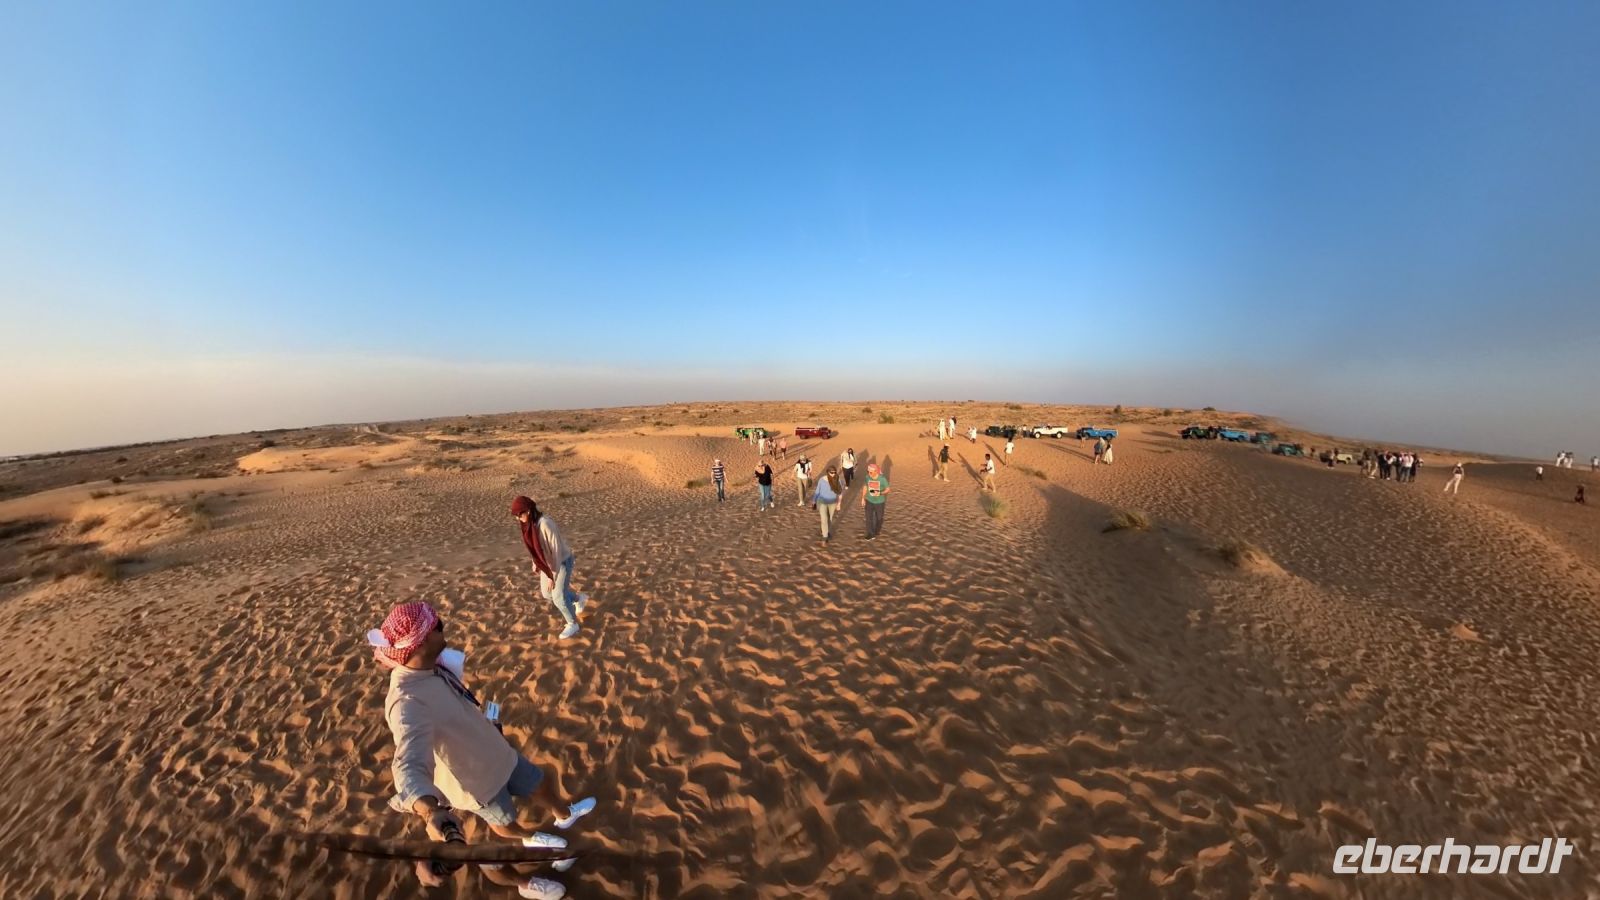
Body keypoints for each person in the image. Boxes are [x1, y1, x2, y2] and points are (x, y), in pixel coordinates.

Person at [369, 602, 596, 899]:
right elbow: (408, 763)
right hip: (479, 783)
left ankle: (563, 815)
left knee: (539, 783)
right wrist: (430, 811)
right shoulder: (407, 701)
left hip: (500, 752)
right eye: (437, 625)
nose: (443, 626)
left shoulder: (432, 667)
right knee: (503, 829)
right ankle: (530, 867)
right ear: (421, 640)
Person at [511, 497, 587, 641]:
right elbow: (535, 548)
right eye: (516, 515)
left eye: (519, 514)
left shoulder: (545, 524)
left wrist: (553, 575)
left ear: (528, 511)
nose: (518, 518)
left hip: (562, 562)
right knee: (547, 594)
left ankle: (573, 624)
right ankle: (578, 599)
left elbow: (556, 551)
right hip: (547, 563)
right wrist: (536, 563)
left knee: (558, 597)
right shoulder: (531, 525)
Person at [812, 465, 843, 542]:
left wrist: (839, 504)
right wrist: (814, 500)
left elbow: (840, 493)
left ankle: (825, 531)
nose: (833, 474)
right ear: (827, 472)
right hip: (822, 502)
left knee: (830, 519)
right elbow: (817, 491)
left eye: (834, 472)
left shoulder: (838, 480)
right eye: (831, 473)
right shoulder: (821, 480)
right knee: (824, 519)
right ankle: (825, 537)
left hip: (832, 502)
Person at [861, 461, 890, 538]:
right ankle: (870, 533)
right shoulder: (867, 477)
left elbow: (888, 489)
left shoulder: (882, 479)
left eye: (871, 472)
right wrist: (863, 498)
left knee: (879, 518)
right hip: (869, 500)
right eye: (868, 472)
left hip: (879, 502)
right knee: (868, 518)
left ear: (876, 471)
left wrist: (880, 493)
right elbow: (865, 487)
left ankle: (877, 531)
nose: (869, 473)